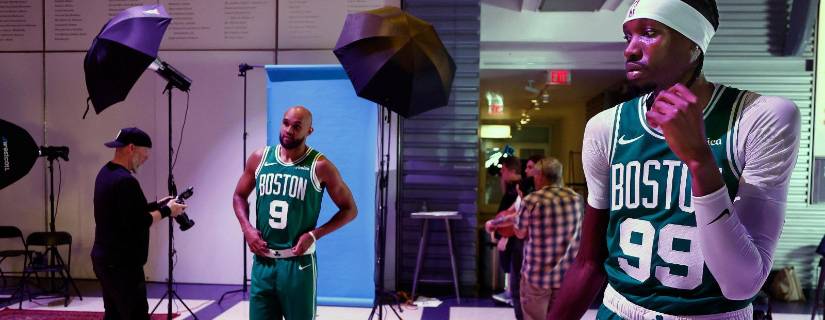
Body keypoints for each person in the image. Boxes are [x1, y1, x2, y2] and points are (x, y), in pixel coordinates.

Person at [547, 0, 801, 318]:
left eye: (650, 33)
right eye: (629, 37)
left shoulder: (760, 117)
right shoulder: (606, 127)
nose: (630, 50)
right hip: (620, 309)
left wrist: (699, 160)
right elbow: (589, 262)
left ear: (694, 43)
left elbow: (742, 283)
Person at [232, 106, 358, 320]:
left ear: (309, 131)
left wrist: (314, 235)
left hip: (298, 264)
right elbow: (238, 196)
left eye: (297, 126)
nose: (289, 130)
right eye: (286, 123)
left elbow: (350, 210)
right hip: (263, 262)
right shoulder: (260, 158)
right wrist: (247, 229)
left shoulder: (320, 166)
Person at [92, 127, 187, 320]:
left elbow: (127, 211)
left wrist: (159, 203)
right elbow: (138, 221)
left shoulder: (106, 173)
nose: (146, 158)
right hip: (122, 266)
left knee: (115, 315)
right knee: (135, 315)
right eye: (145, 152)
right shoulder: (126, 182)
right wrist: (168, 210)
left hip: (105, 260)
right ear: (131, 148)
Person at [510, 157, 582, 320]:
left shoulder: (532, 200)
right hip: (565, 277)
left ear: (541, 176)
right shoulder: (576, 199)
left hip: (536, 278)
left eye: (535, 175)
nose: (534, 178)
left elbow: (520, 233)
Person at [486, 155, 524, 319]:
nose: (501, 173)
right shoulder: (510, 187)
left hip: (514, 237)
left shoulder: (519, 188)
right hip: (510, 234)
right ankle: (511, 292)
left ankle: (512, 293)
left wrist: (505, 234)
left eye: (503, 170)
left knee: (515, 273)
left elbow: (516, 215)